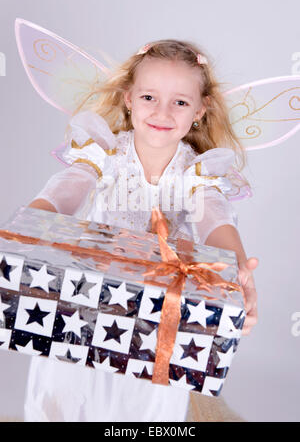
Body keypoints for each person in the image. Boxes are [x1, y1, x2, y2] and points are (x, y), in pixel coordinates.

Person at [23, 39, 258, 422]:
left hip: (155, 314)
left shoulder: (196, 173)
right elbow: (65, 191)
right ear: (128, 97)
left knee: (141, 407)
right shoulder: (104, 154)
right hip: (86, 300)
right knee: (69, 395)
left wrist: (236, 270)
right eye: (149, 96)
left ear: (200, 109)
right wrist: (24, 231)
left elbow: (215, 218)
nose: (162, 111)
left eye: (180, 102)